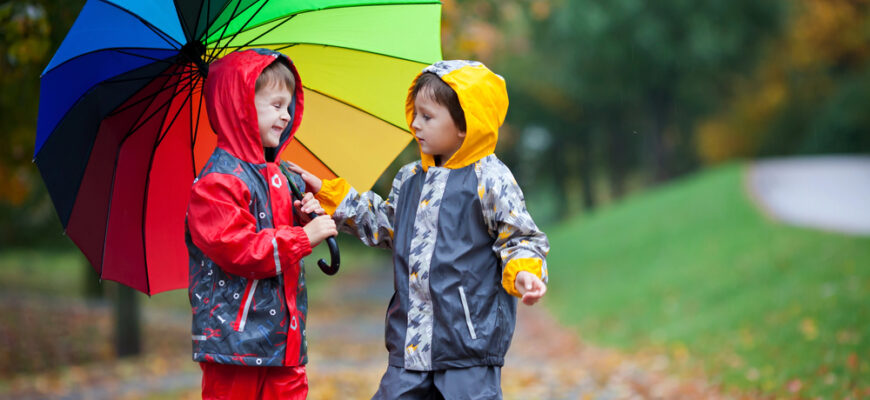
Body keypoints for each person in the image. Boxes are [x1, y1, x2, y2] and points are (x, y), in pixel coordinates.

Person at [288, 60, 549, 399]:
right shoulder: (411, 178)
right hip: (409, 343)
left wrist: (525, 271)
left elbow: (519, 236)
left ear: (464, 125)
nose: (415, 124)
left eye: (428, 117)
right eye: (415, 114)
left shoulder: (490, 179)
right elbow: (385, 225)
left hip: (466, 346)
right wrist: (328, 194)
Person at [185, 48, 336, 399]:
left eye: (288, 107)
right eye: (275, 105)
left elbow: (272, 228)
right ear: (241, 107)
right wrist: (303, 237)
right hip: (236, 345)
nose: (285, 117)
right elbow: (240, 248)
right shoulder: (218, 183)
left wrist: (300, 215)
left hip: (283, 341)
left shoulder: (278, 175)